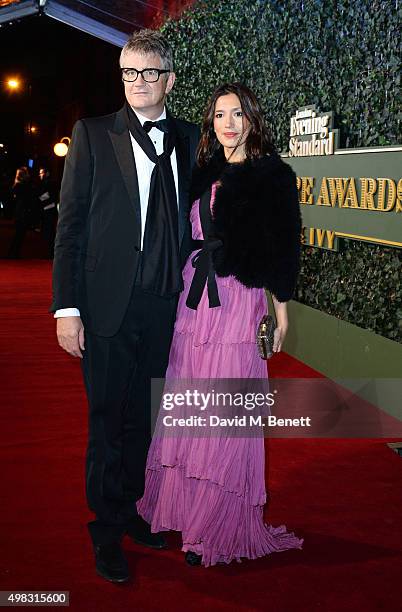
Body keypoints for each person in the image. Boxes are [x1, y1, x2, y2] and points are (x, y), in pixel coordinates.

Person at [51, 29, 199, 583]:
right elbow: (68, 229)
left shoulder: (189, 139)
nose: (138, 83)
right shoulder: (92, 135)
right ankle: (106, 530)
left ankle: (133, 511)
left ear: (169, 79)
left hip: (165, 305)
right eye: (129, 73)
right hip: (105, 305)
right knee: (107, 421)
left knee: (144, 420)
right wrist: (66, 308)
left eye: (149, 72)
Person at [137, 83, 304, 567]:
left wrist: (282, 313)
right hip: (193, 303)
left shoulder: (272, 176)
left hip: (237, 301)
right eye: (218, 115)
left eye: (237, 113)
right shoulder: (201, 171)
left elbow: (283, 247)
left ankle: (215, 526)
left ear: (252, 118)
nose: (227, 123)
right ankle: (187, 513)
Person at [7, 166, 34, 259]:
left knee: (19, 234)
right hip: (22, 211)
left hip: (20, 211)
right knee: (19, 234)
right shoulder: (21, 185)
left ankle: (13, 252)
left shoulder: (18, 185)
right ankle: (13, 253)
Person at [37, 167, 58, 259]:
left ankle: (52, 253)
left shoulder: (51, 183)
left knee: (50, 233)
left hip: (49, 210)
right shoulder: (43, 184)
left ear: (47, 173)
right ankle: (50, 253)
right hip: (46, 210)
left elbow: (51, 196)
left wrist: (41, 198)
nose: (40, 175)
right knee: (47, 233)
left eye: (42, 173)